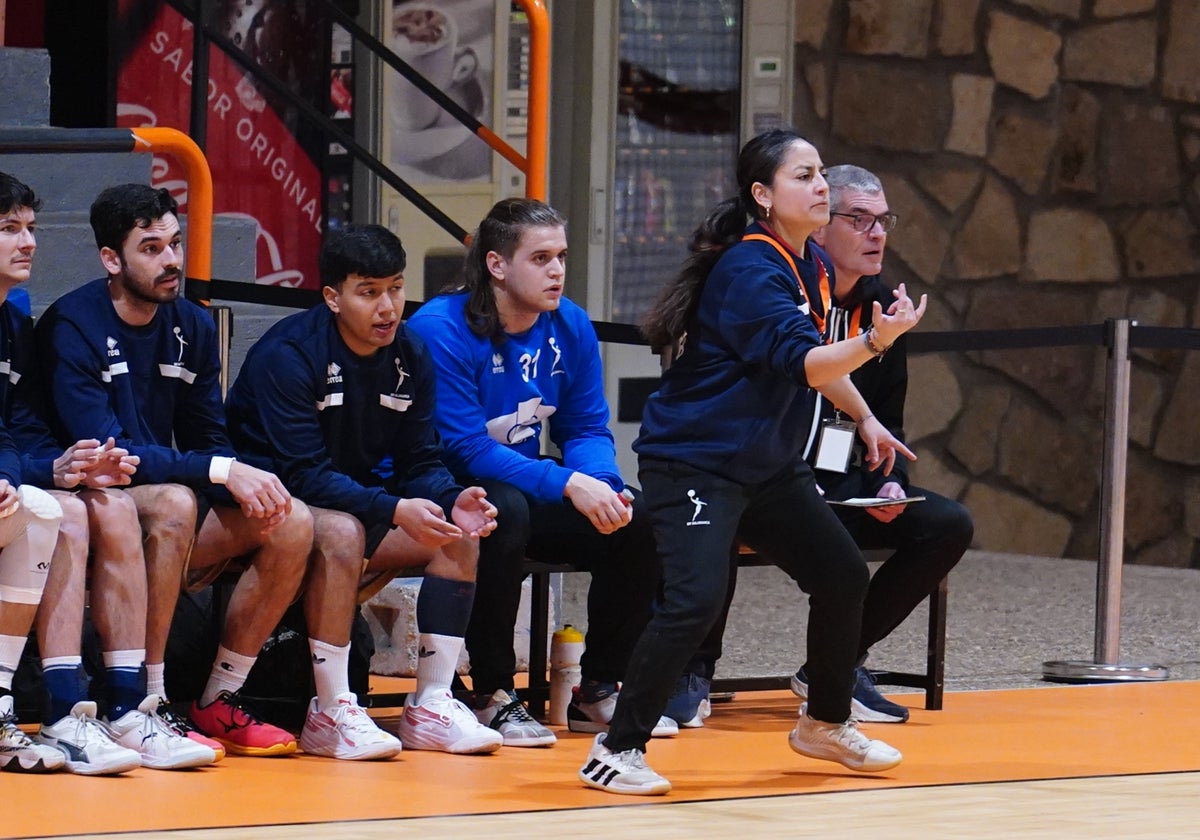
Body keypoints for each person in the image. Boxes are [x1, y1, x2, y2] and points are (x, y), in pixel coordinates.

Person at [577, 129, 926, 795]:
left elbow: (822, 369)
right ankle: (616, 750)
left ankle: (822, 722)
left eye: (822, 173)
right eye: (804, 176)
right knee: (695, 602)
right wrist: (878, 340)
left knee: (842, 574)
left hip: (766, 467)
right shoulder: (751, 268)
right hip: (695, 465)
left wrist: (866, 416)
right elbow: (807, 360)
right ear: (764, 195)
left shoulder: (812, 265)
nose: (821, 185)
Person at [663, 165, 974, 730]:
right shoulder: (772, 284)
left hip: (835, 481)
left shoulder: (882, 306)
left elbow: (889, 420)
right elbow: (803, 367)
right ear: (819, 228)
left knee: (947, 523)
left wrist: (887, 483)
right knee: (730, 511)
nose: (876, 234)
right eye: (859, 219)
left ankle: (835, 669)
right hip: (764, 471)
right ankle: (693, 671)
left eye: (884, 221)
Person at [35, 184, 313, 758]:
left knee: (293, 521)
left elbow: (207, 435)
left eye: (175, 244)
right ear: (112, 259)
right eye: (152, 248)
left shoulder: (194, 324)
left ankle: (219, 698)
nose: (172, 261)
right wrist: (219, 470)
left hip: (153, 497)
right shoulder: (72, 324)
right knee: (174, 503)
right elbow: (109, 449)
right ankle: (148, 701)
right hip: (87, 498)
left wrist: (243, 477)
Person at [225, 223, 502, 758]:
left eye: (395, 288)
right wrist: (394, 507)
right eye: (369, 292)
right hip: (273, 506)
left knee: (457, 536)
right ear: (332, 297)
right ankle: (330, 712)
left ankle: (431, 705)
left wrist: (450, 497)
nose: (388, 307)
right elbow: (302, 474)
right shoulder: (289, 354)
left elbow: (420, 458)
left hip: (351, 498)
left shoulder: (411, 355)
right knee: (344, 530)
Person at [407, 198, 671, 748]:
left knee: (636, 517)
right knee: (506, 510)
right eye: (541, 257)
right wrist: (568, 484)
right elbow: (464, 447)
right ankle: (492, 692)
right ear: (497, 265)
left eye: (562, 257)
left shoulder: (568, 323)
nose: (557, 271)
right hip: (441, 480)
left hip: (521, 474)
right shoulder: (441, 327)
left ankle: (597, 687)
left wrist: (601, 482)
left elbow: (585, 426)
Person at [0, 172, 215, 775]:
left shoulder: (13, 325)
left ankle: (116, 707)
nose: (29, 243)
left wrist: (49, 468)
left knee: (92, 502)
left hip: (31, 484)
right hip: (34, 489)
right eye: (9, 230)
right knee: (89, 506)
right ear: (110, 258)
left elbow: (15, 429)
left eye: (31, 228)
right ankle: (69, 708)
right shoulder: (70, 323)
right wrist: (43, 471)